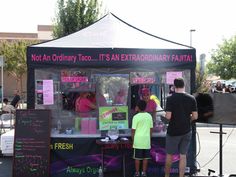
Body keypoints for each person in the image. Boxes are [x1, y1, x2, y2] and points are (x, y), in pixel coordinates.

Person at [164, 78, 198, 177]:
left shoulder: (170, 98)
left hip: (173, 131)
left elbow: (168, 117)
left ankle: (167, 176)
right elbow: (195, 116)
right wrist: (188, 120)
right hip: (186, 131)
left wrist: (164, 116)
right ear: (184, 85)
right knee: (183, 156)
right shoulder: (191, 98)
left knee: (169, 155)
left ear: (174, 86)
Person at [132, 100, 153, 177]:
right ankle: (144, 173)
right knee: (145, 158)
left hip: (138, 141)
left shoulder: (135, 117)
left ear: (138, 107)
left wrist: (133, 140)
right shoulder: (149, 116)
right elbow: (151, 129)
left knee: (137, 158)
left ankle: (137, 173)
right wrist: (149, 139)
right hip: (146, 140)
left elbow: (133, 131)